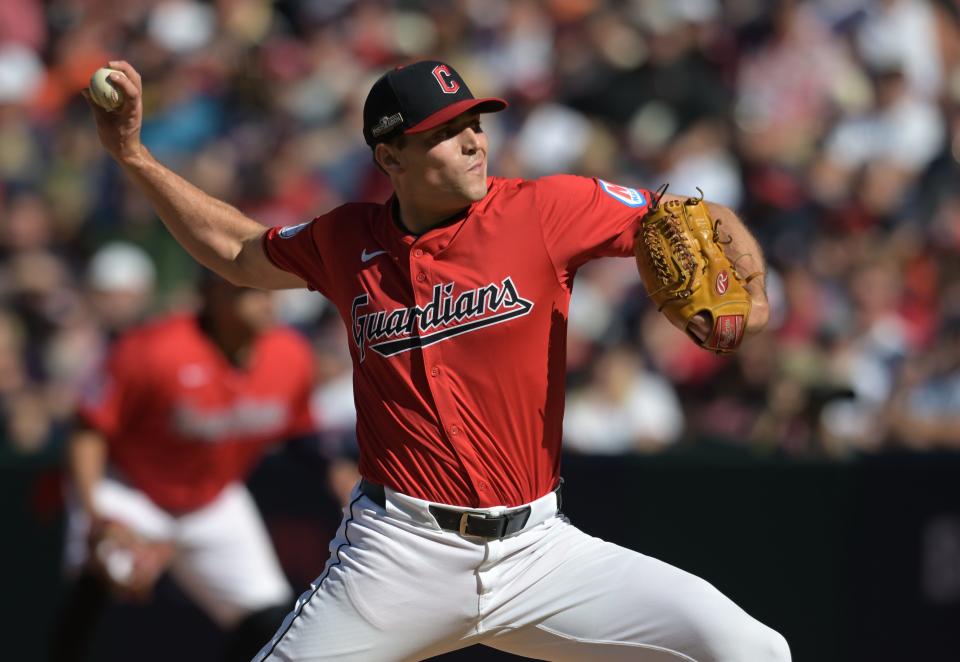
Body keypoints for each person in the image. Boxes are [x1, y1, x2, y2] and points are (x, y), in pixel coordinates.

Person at [84, 58, 789, 661]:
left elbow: (685, 217)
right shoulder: (345, 240)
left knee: (753, 650)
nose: (474, 142)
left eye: (474, 124)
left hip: (539, 551)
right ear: (390, 157)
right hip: (398, 554)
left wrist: (751, 291)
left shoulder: (545, 210)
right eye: (447, 133)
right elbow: (238, 253)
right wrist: (134, 157)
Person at [49, 273, 316, 662]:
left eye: (271, 290)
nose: (266, 301)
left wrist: (337, 471)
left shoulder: (290, 353)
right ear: (210, 295)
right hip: (131, 490)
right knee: (108, 580)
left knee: (269, 618)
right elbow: (88, 429)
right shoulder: (153, 348)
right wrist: (95, 516)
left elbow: (301, 436)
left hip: (214, 498)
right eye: (250, 289)